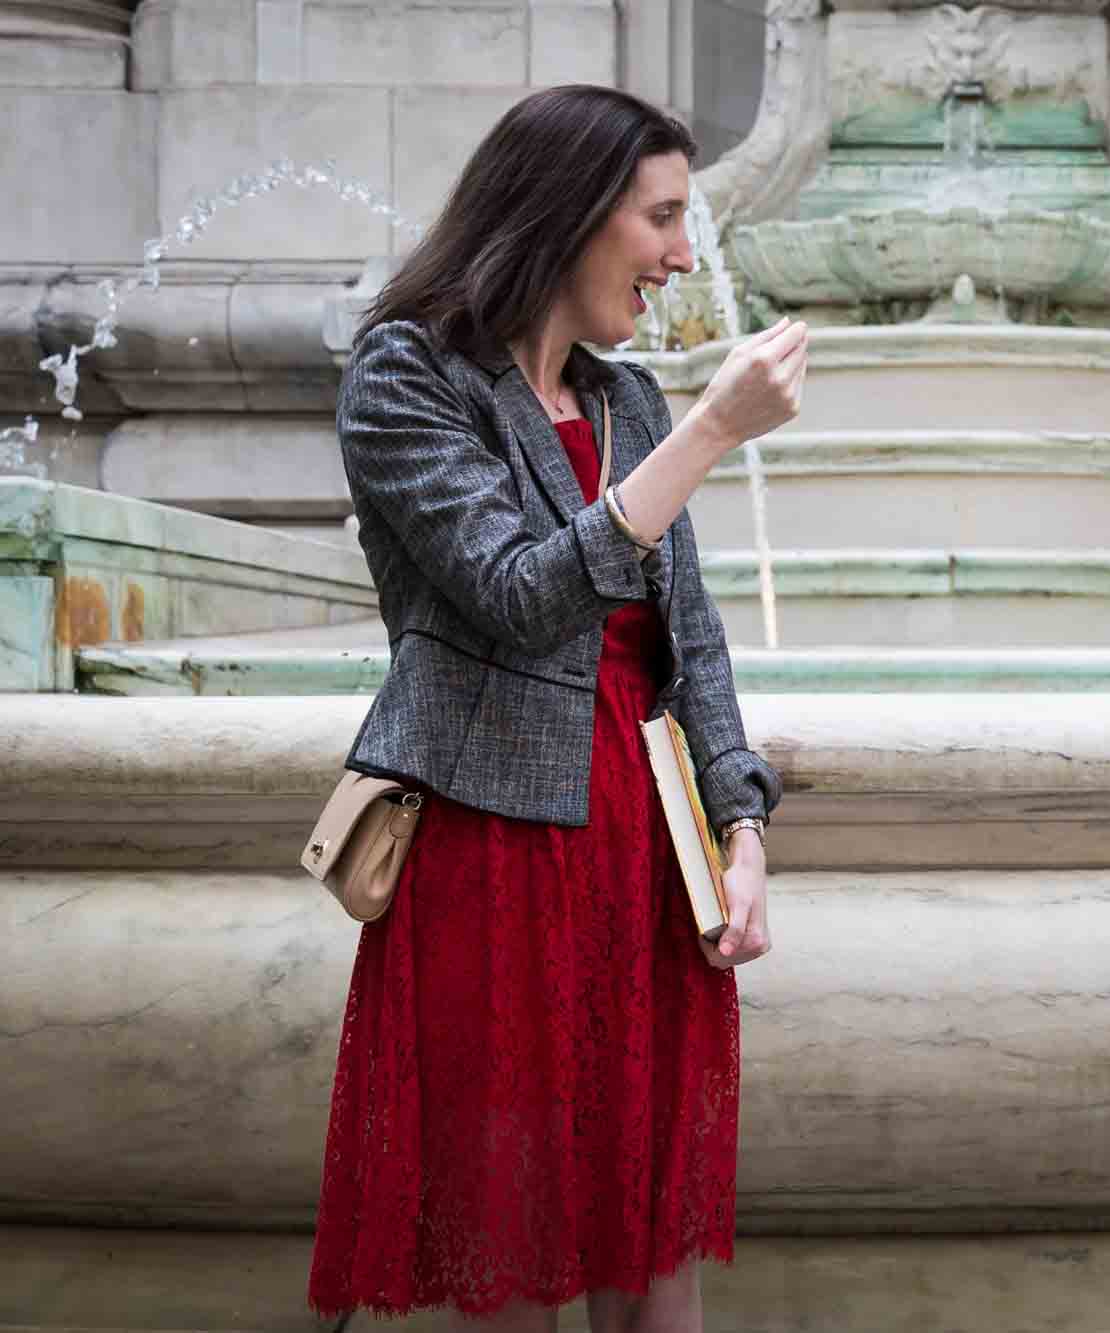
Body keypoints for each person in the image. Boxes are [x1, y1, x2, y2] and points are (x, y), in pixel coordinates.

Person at [306, 85, 807, 1332]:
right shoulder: (407, 375)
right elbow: (515, 594)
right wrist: (707, 433)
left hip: (650, 853)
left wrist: (743, 834)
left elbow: (691, 647)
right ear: (569, 212)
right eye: (662, 218)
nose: (684, 257)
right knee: (513, 1249)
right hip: (496, 854)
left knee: (654, 1252)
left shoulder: (626, 401)